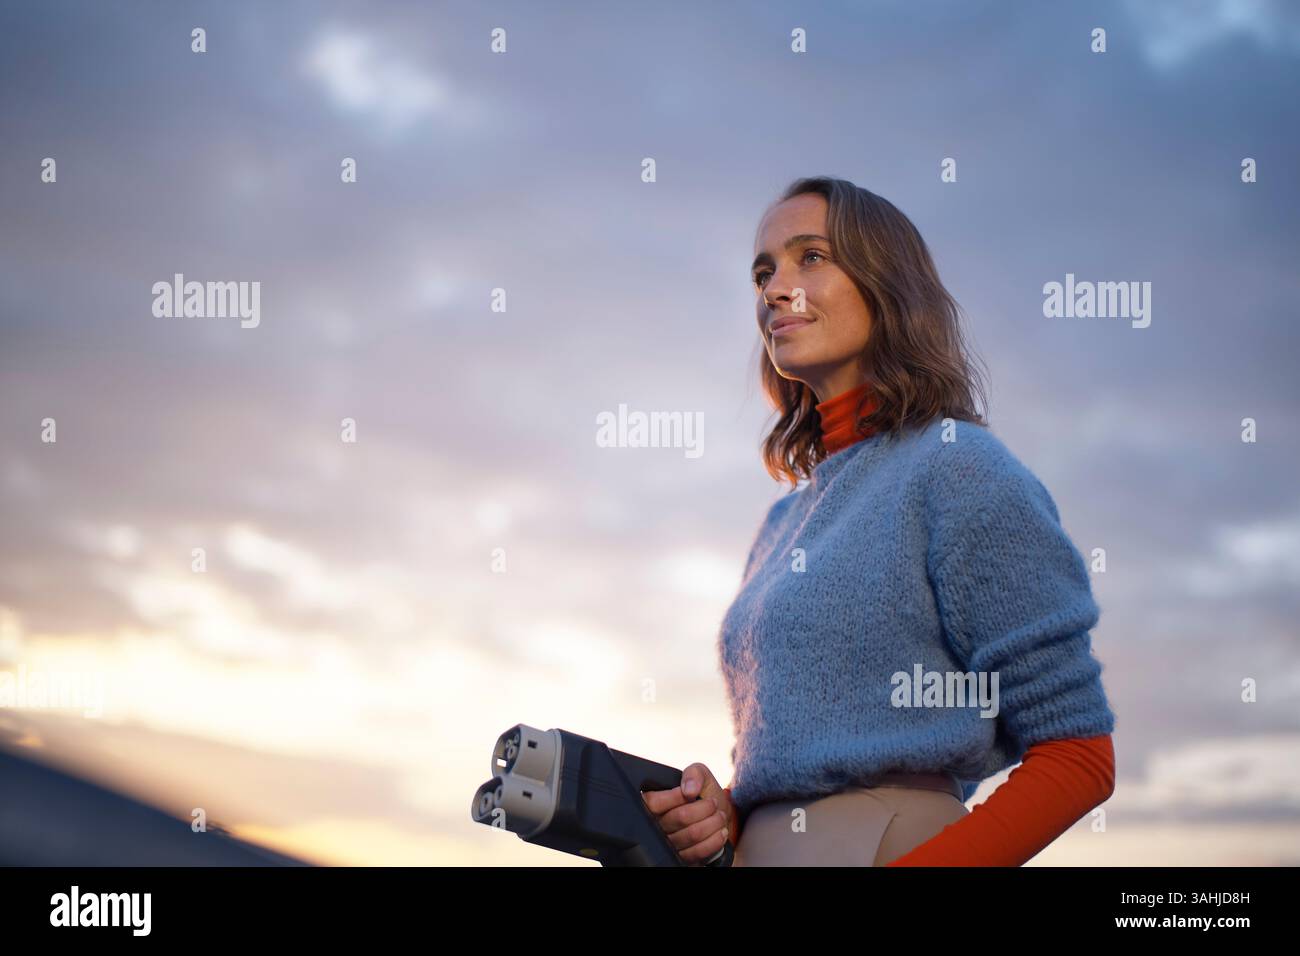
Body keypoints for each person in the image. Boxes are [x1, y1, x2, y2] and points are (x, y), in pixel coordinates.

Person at [643, 176, 1116, 866]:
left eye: (811, 257)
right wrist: (724, 818)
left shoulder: (957, 468)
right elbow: (801, 765)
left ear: (885, 283)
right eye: (763, 271)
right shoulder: (780, 525)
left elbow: (1079, 756)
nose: (775, 289)